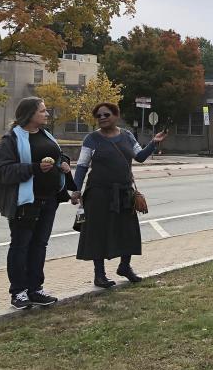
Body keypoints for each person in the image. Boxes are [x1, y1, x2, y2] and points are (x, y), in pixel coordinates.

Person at [70, 102, 167, 288]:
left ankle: (124, 267)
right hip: (98, 193)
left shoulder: (127, 136)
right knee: (98, 233)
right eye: (98, 116)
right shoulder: (91, 139)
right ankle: (99, 275)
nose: (102, 118)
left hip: (124, 192)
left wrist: (154, 143)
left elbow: (139, 157)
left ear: (116, 116)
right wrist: (76, 190)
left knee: (127, 230)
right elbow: (82, 166)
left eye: (106, 114)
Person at [0, 96, 75, 309]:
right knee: (21, 246)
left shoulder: (46, 134)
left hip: (50, 200)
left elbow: (56, 156)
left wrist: (63, 164)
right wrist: (33, 167)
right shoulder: (12, 138)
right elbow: (3, 171)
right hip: (26, 202)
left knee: (39, 245)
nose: (47, 114)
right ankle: (18, 292)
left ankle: (35, 289)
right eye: (43, 111)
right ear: (29, 114)